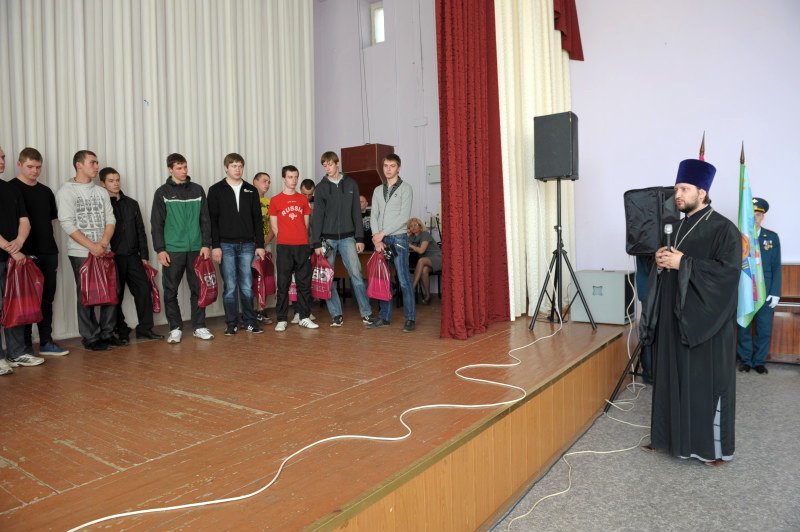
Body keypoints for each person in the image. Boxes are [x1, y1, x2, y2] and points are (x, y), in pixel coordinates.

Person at [640, 158, 740, 465]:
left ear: (702, 192)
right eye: (676, 189)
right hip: (674, 320)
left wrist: (683, 263)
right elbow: (670, 267)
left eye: (684, 189)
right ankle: (667, 438)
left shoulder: (724, 229)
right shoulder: (677, 226)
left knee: (702, 386)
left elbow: (727, 275)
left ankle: (710, 450)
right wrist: (660, 261)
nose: (678, 195)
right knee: (671, 379)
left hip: (706, 326)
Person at [57, 150, 120, 351]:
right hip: (81, 252)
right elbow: (67, 223)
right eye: (92, 162)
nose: (96, 166)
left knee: (112, 291)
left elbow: (110, 219)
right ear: (79, 165)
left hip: (104, 249)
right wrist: (92, 247)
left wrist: (103, 243)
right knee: (86, 294)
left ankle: (107, 333)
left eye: (97, 162)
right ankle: (90, 337)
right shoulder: (66, 191)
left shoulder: (101, 192)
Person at [10, 148, 69, 357]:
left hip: (49, 251)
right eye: (30, 167)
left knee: (47, 298)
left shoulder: (45, 191)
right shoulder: (10, 189)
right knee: (26, 300)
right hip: (24, 253)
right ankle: (25, 346)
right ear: (19, 164)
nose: (35, 171)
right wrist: (17, 250)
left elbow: (49, 220)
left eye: (38, 167)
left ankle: (46, 341)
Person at [151, 153, 214, 343]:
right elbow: (157, 223)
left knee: (199, 289)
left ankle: (199, 326)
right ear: (170, 169)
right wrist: (160, 249)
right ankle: (175, 328)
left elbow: (205, 219)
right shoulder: (162, 192)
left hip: (196, 249)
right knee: (170, 291)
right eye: (179, 168)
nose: (183, 171)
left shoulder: (197, 190)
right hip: (173, 250)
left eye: (185, 167)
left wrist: (206, 244)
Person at [99, 167, 163, 342]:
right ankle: (121, 331)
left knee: (144, 290)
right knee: (115, 296)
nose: (116, 183)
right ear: (102, 183)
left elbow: (141, 231)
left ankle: (145, 329)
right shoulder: (101, 205)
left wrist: (144, 256)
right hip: (113, 258)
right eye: (111, 181)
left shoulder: (132, 204)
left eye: (117, 180)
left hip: (133, 257)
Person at [311, 151, 375, 327]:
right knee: (328, 277)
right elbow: (317, 216)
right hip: (327, 240)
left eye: (330, 164)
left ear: (337, 163)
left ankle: (367, 313)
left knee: (356, 275)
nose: (327, 168)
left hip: (348, 238)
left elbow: (356, 212)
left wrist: (359, 238)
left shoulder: (351, 184)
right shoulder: (321, 187)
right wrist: (316, 242)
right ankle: (336, 314)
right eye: (324, 165)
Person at [207, 153, 265, 336]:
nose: (237, 169)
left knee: (247, 286)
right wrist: (215, 245)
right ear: (226, 168)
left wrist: (260, 245)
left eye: (240, 166)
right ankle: (231, 323)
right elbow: (212, 221)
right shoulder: (215, 190)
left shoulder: (251, 190)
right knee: (230, 286)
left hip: (248, 245)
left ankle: (250, 322)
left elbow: (257, 219)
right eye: (233, 166)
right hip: (225, 245)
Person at [1, 146, 44, 374]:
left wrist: (19, 242)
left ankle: (16, 353)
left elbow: (24, 220)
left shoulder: (10, 189)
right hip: (9, 255)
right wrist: (11, 248)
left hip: (14, 258)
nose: (2, 160)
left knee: (15, 306)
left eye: (2, 157)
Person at [368, 154, 415, 332]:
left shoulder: (406, 188)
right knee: (383, 279)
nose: (388, 169)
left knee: (403, 280)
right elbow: (374, 214)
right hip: (381, 240)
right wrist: (376, 237)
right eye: (386, 166)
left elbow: (404, 217)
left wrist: (382, 233)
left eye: (392, 166)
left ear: (398, 168)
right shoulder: (377, 190)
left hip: (399, 239)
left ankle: (410, 318)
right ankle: (384, 317)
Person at [270, 165, 318, 331]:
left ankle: (304, 316)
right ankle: (282, 319)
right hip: (284, 247)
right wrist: (285, 238)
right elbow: (274, 226)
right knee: (283, 283)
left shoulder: (303, 199)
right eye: (290, 177)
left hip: (302, 246)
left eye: (296, 177)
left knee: (304, 283)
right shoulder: (275, 200)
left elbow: (306, 225)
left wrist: (300, 238)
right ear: (284, 178)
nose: (294, 180)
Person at [737, 197, 781, 375]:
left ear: (762, 217)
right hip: (745, 289)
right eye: (751, 214)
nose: (755, 217)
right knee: (744, 327)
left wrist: (775, 292)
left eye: (758, 214)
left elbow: (776, 266)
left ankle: (759, 362)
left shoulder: (771, 237)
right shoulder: (740, 238)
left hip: (765, 290)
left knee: (764, 328)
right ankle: (745, 361)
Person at [252, 171, 275, 324]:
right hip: (250, 246)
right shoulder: (248, 200)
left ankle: (261, 309)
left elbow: (274, 226)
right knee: (251, 278)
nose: (267, 184)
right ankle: (248, 311)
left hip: (266, 245)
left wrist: (265, 241)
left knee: (264, 278)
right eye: (264, 181)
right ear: (255, 182)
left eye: (269, 182)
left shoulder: (269, 203)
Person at [408, 217, 442, 304]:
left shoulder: (425, 234)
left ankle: (411, 288)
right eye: (411, 226)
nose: (413, 227)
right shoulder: (411, 238)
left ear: (420, 226)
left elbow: (421, 251)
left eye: (415, 225)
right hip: (427, 261)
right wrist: (407, 236)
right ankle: (428, 296)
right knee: (424, 270)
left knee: (421, 261)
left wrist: (410, 246)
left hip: (437, 258)